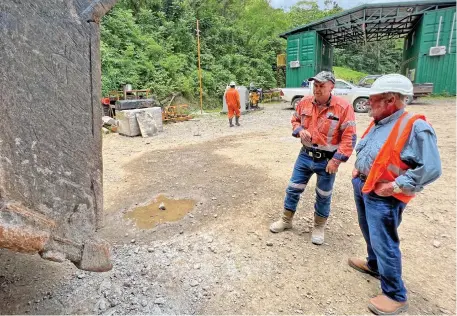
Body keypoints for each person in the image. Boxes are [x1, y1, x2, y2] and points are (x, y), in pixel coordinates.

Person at [349, 74, 441, 315]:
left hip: (385, 196)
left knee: (384, 241)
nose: (368, 103)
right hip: (366, 186)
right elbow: (373, 151)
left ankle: (395, 295)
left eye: (373, 99)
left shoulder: (415, 126)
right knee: (368, 231)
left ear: (390, 100)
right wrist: (359, 168)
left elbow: (431, 168)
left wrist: (394, 186)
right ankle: (373, 265)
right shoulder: (381, 120)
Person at [270, 71, 356, 245]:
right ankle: (286, 220)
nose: (317, 89)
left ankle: (318, 226)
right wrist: (299, 130)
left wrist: (336, 160)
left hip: (327, 160)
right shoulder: (304, 102)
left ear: (332, 86)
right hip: (305, 155)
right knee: (293, 188)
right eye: (315, 85)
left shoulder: (344, 107)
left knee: (323, 195)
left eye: (321, 86)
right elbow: (295, 120)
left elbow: (349, 137)